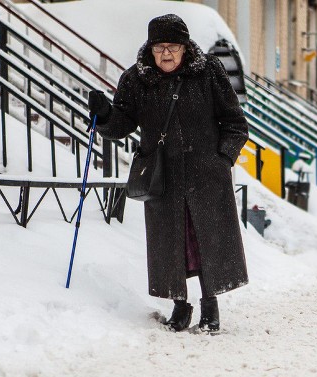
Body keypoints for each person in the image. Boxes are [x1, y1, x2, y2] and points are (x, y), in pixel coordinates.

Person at [87, 14, 249, 333]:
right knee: (172, 244)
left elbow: (235, 122)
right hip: (163, 177)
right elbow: (121, 125)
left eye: (172, 47)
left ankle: (210, 305)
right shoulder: (136, 79)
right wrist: (104, 113)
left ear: (186, 48)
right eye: (159, 47)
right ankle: (180, 305)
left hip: (206, 175)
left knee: (206, 241)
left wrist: (223, 159)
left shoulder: (209, 72)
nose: (166, 54)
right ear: (150, 48)